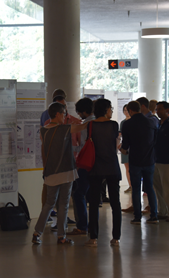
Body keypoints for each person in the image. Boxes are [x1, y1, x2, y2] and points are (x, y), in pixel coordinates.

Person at [32, 102, 88, 246]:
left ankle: (37, 233)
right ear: (57, 114)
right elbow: (82, 127)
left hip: (51, 172)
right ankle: (61, 237)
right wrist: (93, 120)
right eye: (63, 114)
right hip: (66, 171)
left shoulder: (43, 130)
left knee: (49, 203)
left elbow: (44, 152)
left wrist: (45, 169)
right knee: (63, 204)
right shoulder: (64, 129)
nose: (65, 116)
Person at [85, 98, 122, 247]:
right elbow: (115, 143)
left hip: (96, 166)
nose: (111, 111)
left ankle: (93, 237)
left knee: (94, 203)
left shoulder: (90, 125)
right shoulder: (113, 125)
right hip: (112, 166)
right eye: (110, 108)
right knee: (115, 203)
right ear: (106, 109)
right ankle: (116, 237)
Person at [121, 100, 158, 224]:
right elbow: (155, 140)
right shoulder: (151, 122)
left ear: (130, 111)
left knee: (136, 189)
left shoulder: (127, 124)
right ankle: (154, 215)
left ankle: (137, 217)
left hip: (135, 160)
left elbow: (125, 145)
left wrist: (122, 150)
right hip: (149, 160)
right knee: (150, 188)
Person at [68, 98, 95, 237]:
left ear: (84, 111)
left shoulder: (86, 125)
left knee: (78, 194)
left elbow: (84, 146)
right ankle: (93, 227)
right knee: (92, 196)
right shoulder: (98, 122)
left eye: (79, 112)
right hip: (98, 164)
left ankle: (82, 226)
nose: (79, 115)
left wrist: (70, 148)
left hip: (86, 164)